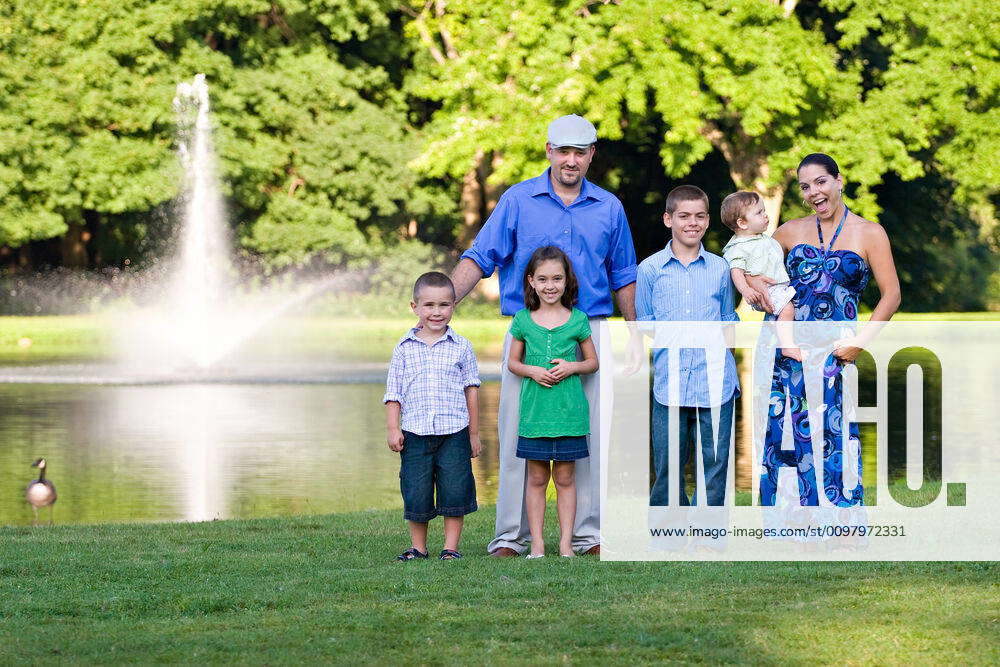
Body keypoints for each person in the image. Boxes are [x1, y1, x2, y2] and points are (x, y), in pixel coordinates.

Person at [451, 114, 638, 556]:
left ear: (591, 154)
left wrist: (634, 331)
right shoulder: (518, 200)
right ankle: (511, 538)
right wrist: (441, 304)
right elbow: (480, 256)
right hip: (527, 330)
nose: (571, 160)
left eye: (580, 151)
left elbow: (624, 273)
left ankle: (588, 535)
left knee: (589, 435)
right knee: (519, 432)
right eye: (563, 150)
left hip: (588, 331)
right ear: (549, 151)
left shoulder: (609, 207)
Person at [747, 153, 901, 506]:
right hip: (785, 351)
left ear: (838, 180)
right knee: (786, 435)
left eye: (820, 182)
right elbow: (753, 273)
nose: (813, 192)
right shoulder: (787, 232)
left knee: (837, 435)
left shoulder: (870, 233)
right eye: (805, 186)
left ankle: (840, 525)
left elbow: (891, 296)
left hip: (837, 354)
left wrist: (861, 343)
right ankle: (791, 525)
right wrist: (758, 295)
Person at [636, 185, 739, 506]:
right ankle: (670, 531)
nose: (691, 223)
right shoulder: (650, 270)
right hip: (670, 382)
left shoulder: (721, 269)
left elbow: (727, 321)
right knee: (667, 464)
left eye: (699, 216)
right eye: (683, 216)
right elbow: (647, 325)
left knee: (715, 462)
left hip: (716, 381)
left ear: (708, 221)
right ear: (668, 219)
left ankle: (708, 532)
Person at [383, 272, 482, 561]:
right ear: (414, 307)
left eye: (444, 305)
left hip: (454, 433)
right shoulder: (403, 348)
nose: (436, 312)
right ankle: (419, 547)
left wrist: (473, 434)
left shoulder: (461, 346)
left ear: (453, 306)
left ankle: (450, 548)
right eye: (429, 305)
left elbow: (472, 392)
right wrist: (393, 428)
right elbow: (393, 393)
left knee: (456, 488)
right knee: (416, 488)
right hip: (414, 433)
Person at [508, 247, 599, 558]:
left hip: (569, 414)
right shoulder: (522, 320)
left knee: (564, 478)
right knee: (535, 478)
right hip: (535, 415)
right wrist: (532, 371)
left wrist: (572, 366)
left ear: (566, 281)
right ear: (532, 281)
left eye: (557, 279)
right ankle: (537, 544)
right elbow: (513, 363)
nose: (550, 286)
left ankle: (565, 544)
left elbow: (592, 363)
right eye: (543, 279)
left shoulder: (578, 320)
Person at [720, 191, 801, 362]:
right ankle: (787, 346)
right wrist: (746, 290)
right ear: (742, 223)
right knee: (788, 309)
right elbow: (736, 271)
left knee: (784, 312)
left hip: (776, 287)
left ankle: (781, 340)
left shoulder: (761, 239)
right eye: (759, 213)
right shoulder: (739, 247)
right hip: (767, 289)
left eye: (764, 210)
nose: (766, 215)